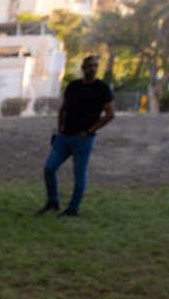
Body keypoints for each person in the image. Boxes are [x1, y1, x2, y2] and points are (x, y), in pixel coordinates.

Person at [38, 55, 115, 218]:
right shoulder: (73, 86)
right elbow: (63, 109)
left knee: (79, 175)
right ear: (83, 67)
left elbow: (110, 114)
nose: (93, 69)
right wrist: (59, 130)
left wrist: (89, 131)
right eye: (90, 66)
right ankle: (53, 201)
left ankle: (73, 209)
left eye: (95, 66)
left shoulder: (102, 88)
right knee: (49, 168)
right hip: (64, 136)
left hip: (83, 139)